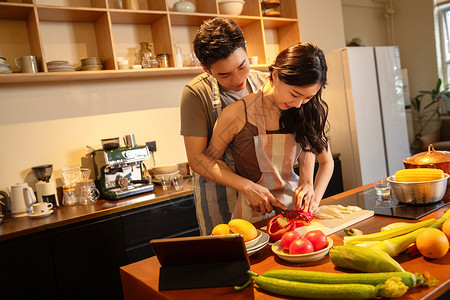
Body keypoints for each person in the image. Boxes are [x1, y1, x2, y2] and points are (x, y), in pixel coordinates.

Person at [205, 42, 334, 223]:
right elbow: (209, 162)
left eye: (308, 97)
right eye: (295, 94)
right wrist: (247, 187)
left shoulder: (307, 109)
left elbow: (326, 162)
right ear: (275, 75)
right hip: (254, 217)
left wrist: (312, 193)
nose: (298, 104)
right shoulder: (236, 114)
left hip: (296, 213)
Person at [180, 17, 286, 235]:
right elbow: (197, 158)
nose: (237, 78)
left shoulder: (266, 83)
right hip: (221, 197)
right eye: (224, 74)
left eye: (242, 65)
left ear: (246, 49)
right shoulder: (196, 94)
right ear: (205, 68)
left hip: (266, 195)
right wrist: (246, 186)